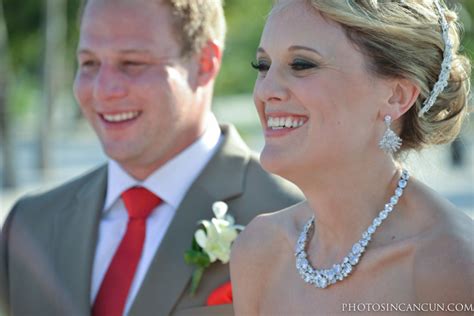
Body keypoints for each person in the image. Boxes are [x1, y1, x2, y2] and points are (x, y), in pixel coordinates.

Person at [0, 0, 303, 315]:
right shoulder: (28, 226)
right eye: (89, 63)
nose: (103, 90)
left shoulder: (294, 218)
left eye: (132, 63)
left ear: (204, 63)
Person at [231, 0, 472, 315]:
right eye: (262, 66)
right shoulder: (259, 249)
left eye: (302, 64)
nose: (265, 91)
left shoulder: (449, 265)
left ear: (396, 96)